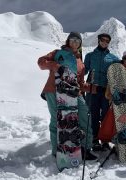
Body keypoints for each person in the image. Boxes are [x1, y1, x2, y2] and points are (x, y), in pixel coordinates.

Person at [38, 32, 97, 160]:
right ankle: (57, 150)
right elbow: (41, 62)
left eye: (78, 40)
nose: (75, 42)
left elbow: (80, 84)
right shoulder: (57, 53)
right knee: (57, 119)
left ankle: (85, 148)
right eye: (73, 39)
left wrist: (93, 88)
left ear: (80, 44)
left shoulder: (80, 62)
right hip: (54, 89)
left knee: (85, 117)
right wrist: (54, 66)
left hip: (74, 92)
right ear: (68, 41)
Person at [84, 33, 120, 151]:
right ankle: (94, 139)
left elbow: (120, 70)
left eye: (107, 41)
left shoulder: (113, 58)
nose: (105, 42)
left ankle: (105, 139)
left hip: (106, 91)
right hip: (92, 89)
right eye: (103, 40)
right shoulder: (90, 55)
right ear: (98, 40)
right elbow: (84, 71)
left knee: (105, 115)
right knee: (93, 114)